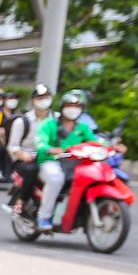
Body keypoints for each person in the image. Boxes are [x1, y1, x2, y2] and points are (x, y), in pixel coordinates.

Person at [35, 90, 100, 230]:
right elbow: (40, 142)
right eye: (70, 105)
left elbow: (95, 143)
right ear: (62, 107)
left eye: (77, 106)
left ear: (82, 110)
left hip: (74, 164)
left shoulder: (83, 127)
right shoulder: (50, 124)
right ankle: (43, 217)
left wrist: (113, 147)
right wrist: (51, 149)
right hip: (50, 161)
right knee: (55, 179)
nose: (73, 109)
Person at [5, 83, 52, 213]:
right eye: (40, 98)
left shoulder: (56, 119)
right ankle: (21, 201)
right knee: (32, 169)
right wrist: (23, 155)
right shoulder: (22, 121)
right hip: (27, 159)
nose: (43, 101)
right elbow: (12, 147)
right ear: (33, 101)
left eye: (46, 97)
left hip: (50, 157)